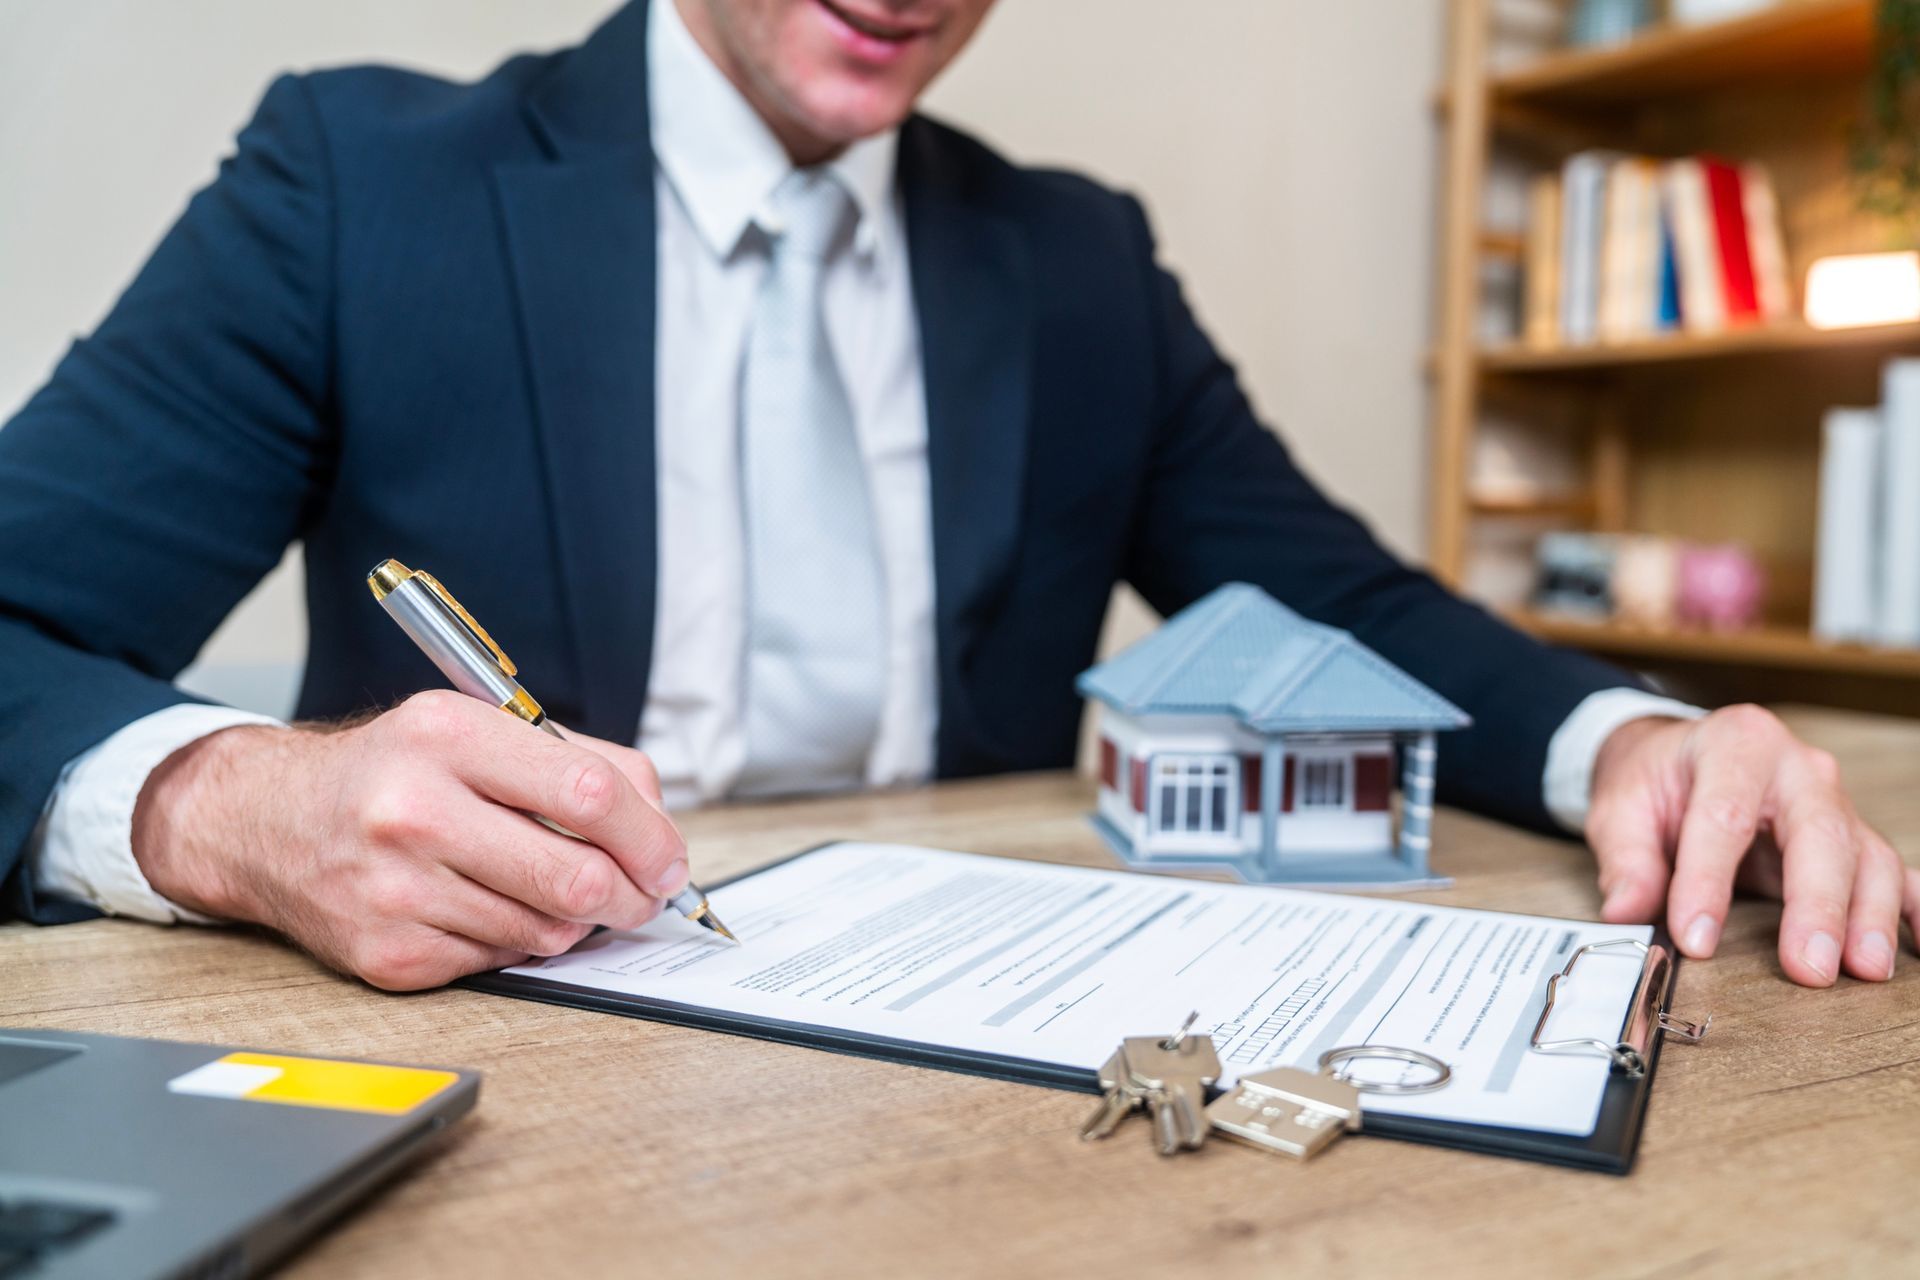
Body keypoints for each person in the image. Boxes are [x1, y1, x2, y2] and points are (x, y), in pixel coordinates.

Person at [1, 0, 1911, 992]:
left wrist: (1627, 741)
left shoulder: (1079, 264)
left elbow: (1347, 604)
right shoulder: (357, 183)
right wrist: (227, 804)